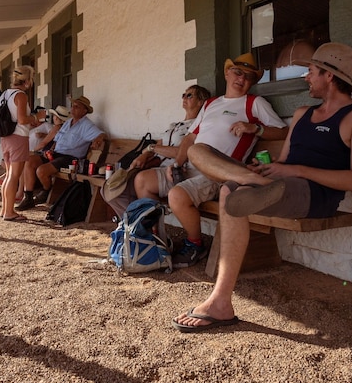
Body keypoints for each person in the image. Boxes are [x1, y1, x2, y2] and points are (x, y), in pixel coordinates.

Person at [172, 43, 352, 332]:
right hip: (276, 182)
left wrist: (292, 170)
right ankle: (256, 182)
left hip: (313, 193)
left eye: (310, 72)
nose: (306, 77)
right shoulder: (302, 114)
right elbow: (283, 160)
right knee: (199, 151)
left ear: (329, 76)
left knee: (231, 193)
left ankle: (220, 301)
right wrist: (265, 168)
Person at [165, 53, 287, 268]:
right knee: (142, 181)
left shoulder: (254, 103)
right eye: (238, 72)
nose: (242, 79)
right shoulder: (211, 103)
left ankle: (195, 245)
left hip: (222, 172)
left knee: (177, 193)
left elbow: (284, 132)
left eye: (249, 76)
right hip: (191, 166)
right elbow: (191, 136)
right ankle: (147, 237)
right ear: (227, 73)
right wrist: (176, 164)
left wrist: (255, 128)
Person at [102, 85, 211, 218]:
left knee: (139, 181)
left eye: (189, 95)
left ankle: (149, 227)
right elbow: (157, 145)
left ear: (201, 101)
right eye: (183, 95)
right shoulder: (175, 125)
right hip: (156, 166)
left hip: (177, 171)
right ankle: (133, 223)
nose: (184, 98)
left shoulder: (197, 127)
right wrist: (144, 155)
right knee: (112, 189)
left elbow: (179, 152)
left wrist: (151, 148)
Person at [16, 96, 106, 211]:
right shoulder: (68, 122)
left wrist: (97, 140)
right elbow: (57, 139)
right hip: (57, 154)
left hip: (70, 158)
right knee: (29, 161)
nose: (73, 109)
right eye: (72, 106)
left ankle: (46, 191)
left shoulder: (87, 125)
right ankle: (28, 197)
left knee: (41, 171)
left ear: (84, 111)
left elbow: (102, 134)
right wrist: (51, 150)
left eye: (77, 107)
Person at [0, 66, 47, 221]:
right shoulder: (21, 95)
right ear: (27, 81)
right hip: (18, 138)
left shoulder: (4, 94)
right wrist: (36, 116)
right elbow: (21, 120)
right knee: (14, 175)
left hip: (6, 137)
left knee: (8, 175)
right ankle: (9, 212)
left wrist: (28, 120)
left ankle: (5, 209)